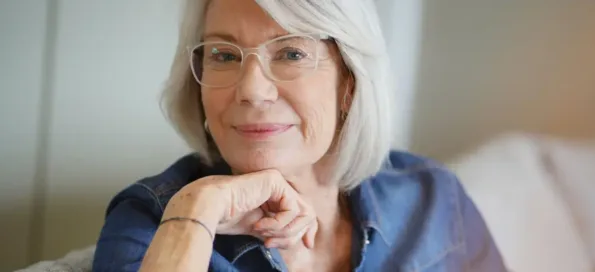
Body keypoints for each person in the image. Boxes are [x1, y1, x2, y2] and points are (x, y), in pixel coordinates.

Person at [92, 0, 506, 271]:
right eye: (223, 55)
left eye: (291, 53)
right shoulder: (153, 222)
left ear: (349, 83)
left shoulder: (433, 200)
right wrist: (198, 210)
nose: (252, 89)